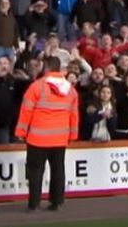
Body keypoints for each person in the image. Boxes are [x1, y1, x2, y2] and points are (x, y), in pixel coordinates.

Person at [15, 56, 79, 212]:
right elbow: (74, 115)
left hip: (38, 138)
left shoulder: (37, 86)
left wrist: (21, 132)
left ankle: (34, 204)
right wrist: (72, 135)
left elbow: (26, 111)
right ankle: (57, 202)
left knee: (35, 172)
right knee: (58, 170)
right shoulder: (70, 89)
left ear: (46, 67)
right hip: (59, 138)